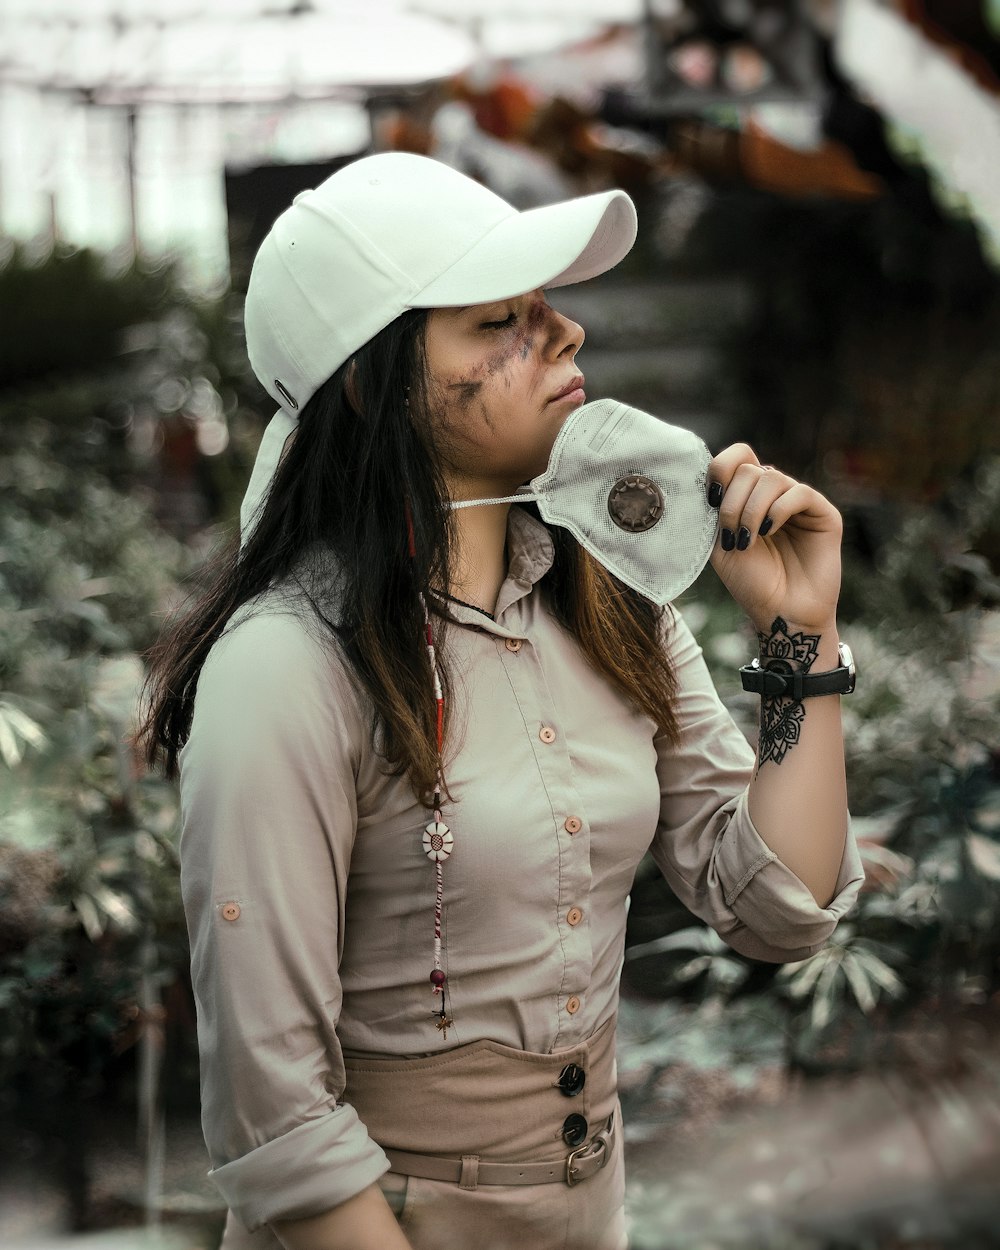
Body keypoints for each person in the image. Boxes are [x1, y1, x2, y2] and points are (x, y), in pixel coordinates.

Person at [137, 151, 864, 1250]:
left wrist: (797, 635)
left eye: (548, 308)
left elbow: (775, 903)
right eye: (498, 320)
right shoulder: (283, 666)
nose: (564, 334)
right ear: (370, 382)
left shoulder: (615, 603)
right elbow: (273, 1108)